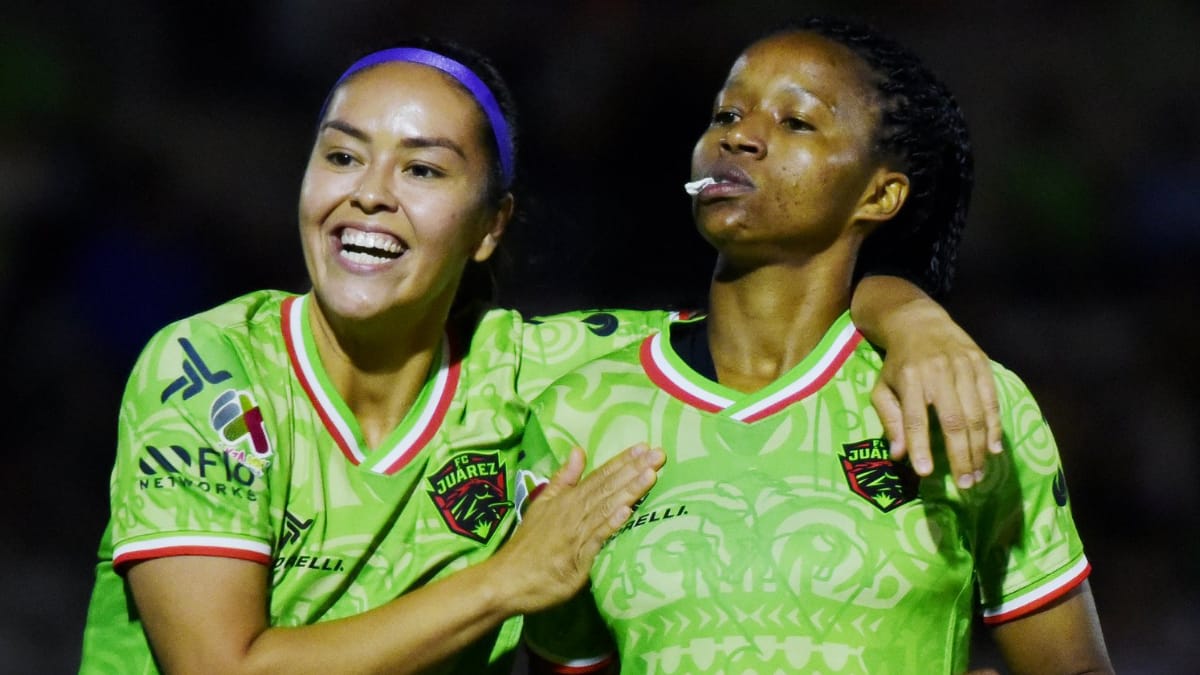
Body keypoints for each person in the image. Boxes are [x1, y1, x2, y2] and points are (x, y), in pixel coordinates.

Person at [78, 34, 1001, 675]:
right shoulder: (208, 367)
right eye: (342, 156)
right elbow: (221, 666)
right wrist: (507, 580)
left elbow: (770, 317)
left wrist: (908, 312)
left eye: (423, 169)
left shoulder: (542, 373)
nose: (370, 194)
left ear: (492, 227)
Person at [520, 16, 1113, 675]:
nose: (738, 137)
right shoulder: (580, 411)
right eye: (725, 115)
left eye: (796, 122)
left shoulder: (958, 396)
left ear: (879, 194)